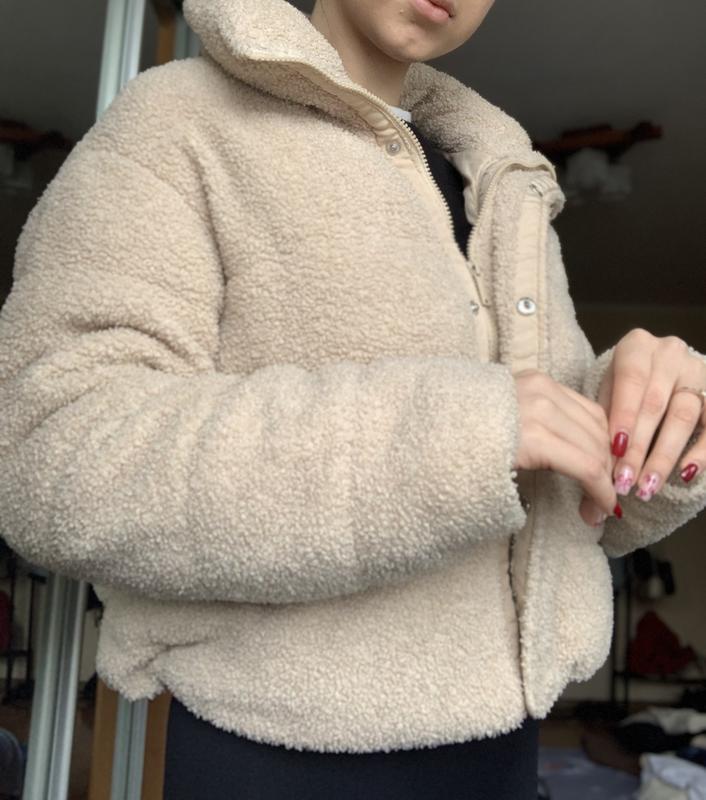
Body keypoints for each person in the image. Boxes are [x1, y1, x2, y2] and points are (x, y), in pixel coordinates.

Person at [0, 0, 705, 797]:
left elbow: (561, 500)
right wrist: (464, 433)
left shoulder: (503, 182)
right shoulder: (176, 120)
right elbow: (52, 455)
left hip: (508, 748)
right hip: (276, 750)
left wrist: (654, 425)